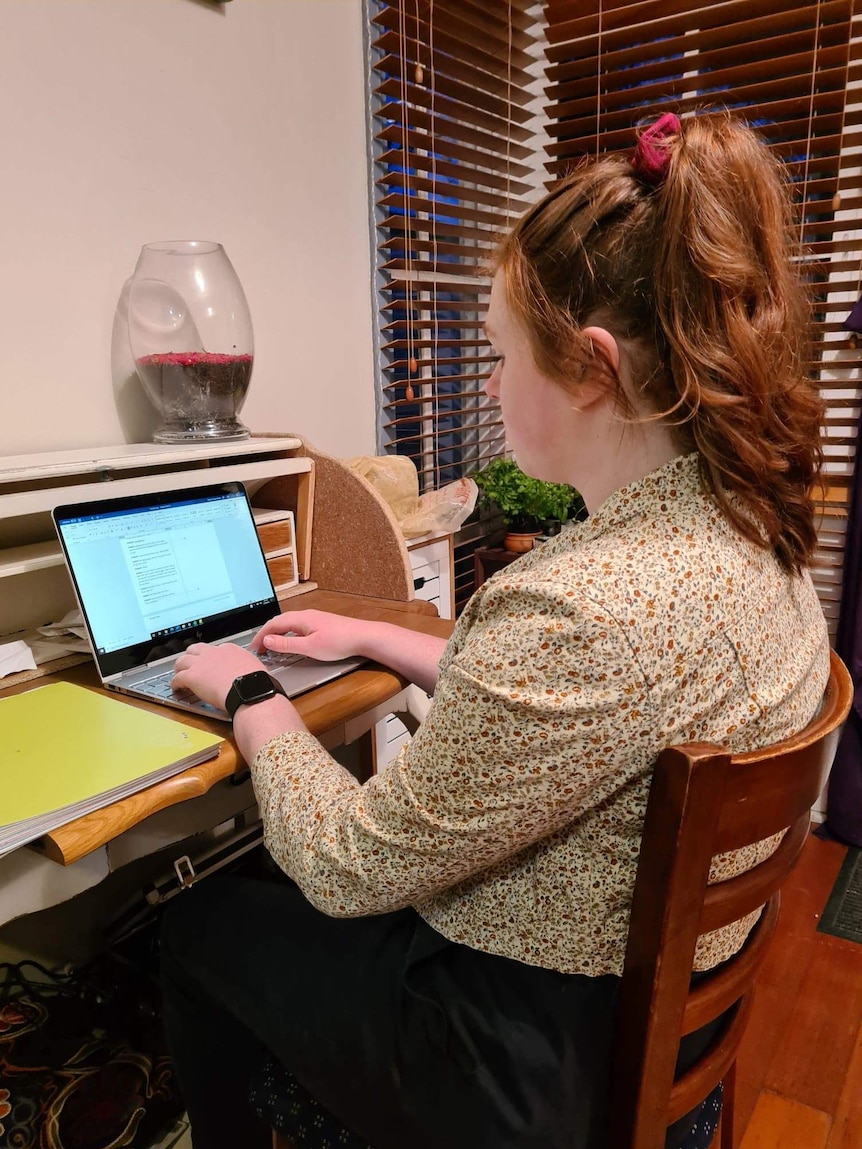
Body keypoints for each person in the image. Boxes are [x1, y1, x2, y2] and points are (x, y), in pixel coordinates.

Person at [159, 111, 829, 1149]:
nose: (486, 385)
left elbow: (346, 867)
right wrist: (384, 639)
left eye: (498, 356)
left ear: (592, 369)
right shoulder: (752, 534)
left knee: (199, 922)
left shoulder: (578, 605)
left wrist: (246, 696)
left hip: (516, 1059)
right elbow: (596, 717)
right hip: (649, 1020)